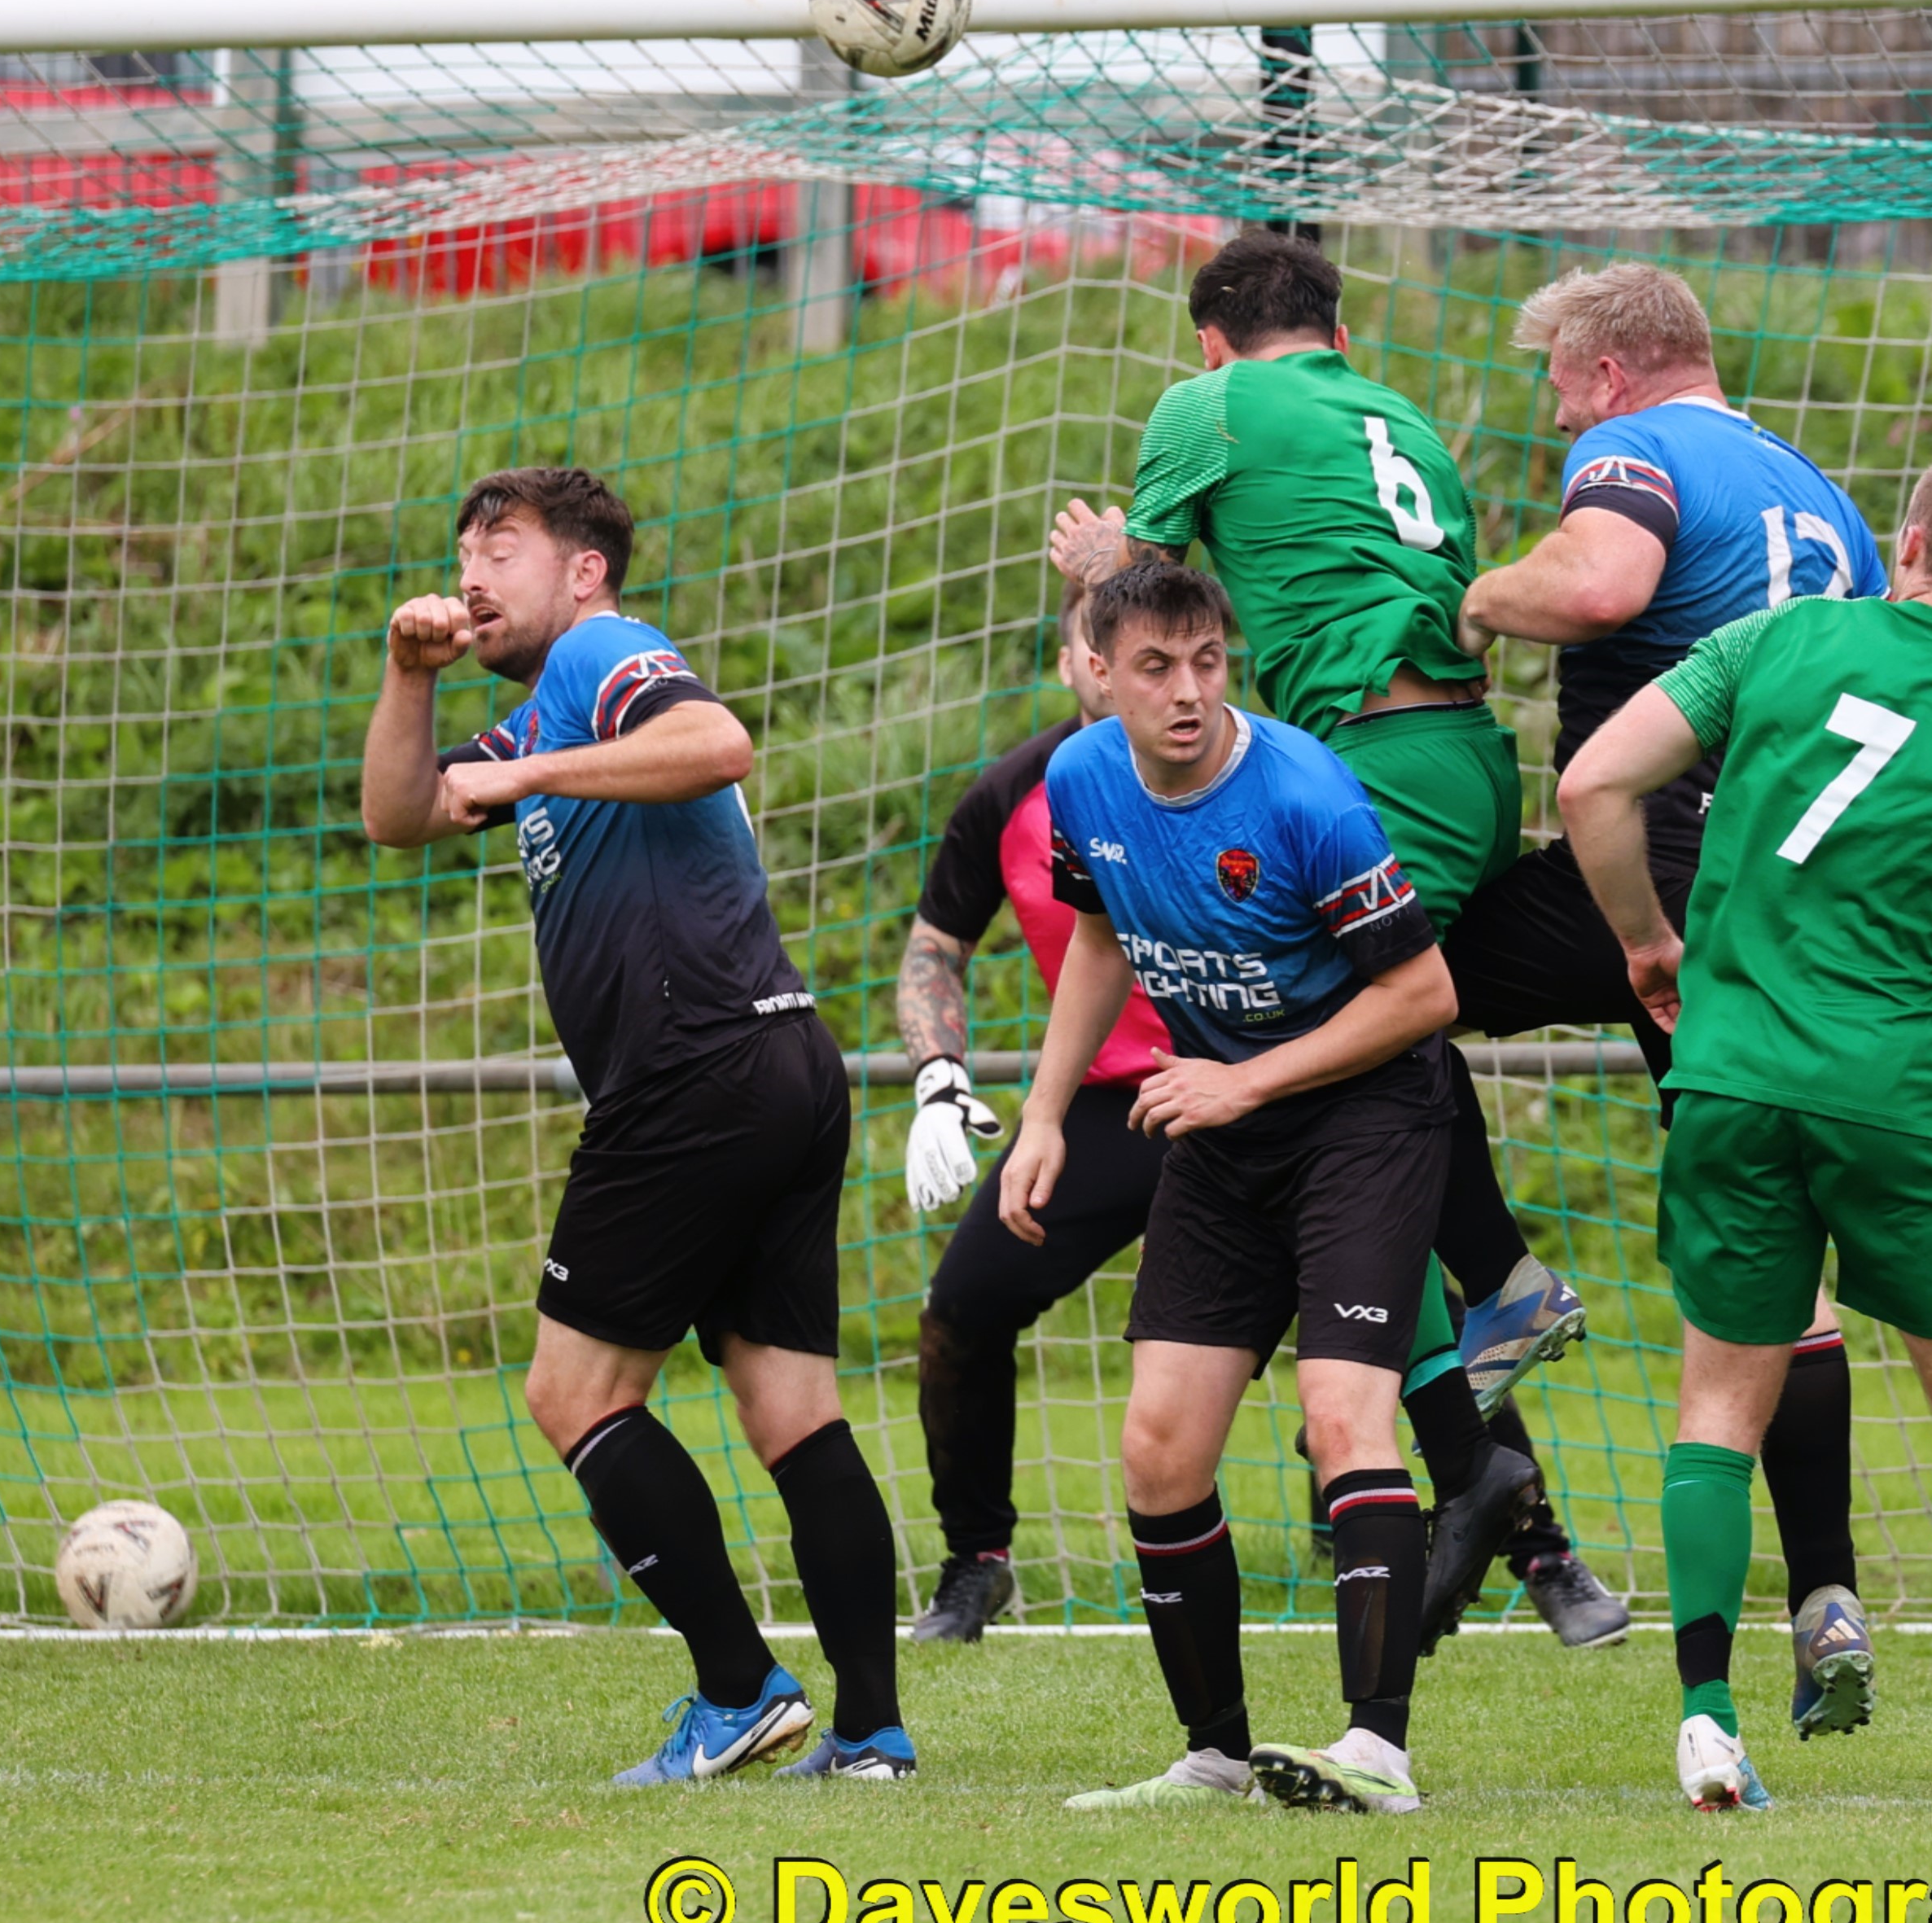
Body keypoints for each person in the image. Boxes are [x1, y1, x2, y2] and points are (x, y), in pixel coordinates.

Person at [1558, 427, 1932, 1812]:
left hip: (1731, 1077)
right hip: (1889, 1092)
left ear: (1910, 541)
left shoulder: (1775, 639)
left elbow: (1589, 785)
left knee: (1717, 1403)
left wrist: (1645, 941)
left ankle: (1706, 1725)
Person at [358, 467, 913, 1785]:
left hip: (692, 1071)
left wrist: (535, 769)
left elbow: (718, 742)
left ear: (585, 571)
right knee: (793, 1411)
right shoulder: (538, 714)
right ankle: (870, 1734)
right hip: (780, 1059)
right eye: (462, 550)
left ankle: (738, 1690)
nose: (473, 572)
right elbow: (399, 817)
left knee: (574, 1393)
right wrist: (408, 676)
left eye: (502, 546)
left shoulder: (599, 656)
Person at [1045, 231, 1564, 1638]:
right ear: (1335, 332)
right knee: (1362, 1050)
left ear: (1211, 341)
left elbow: (1144, 613)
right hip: (1469, 755)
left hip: (1375, 759)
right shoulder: (1400, 415)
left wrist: (1097, 563)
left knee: (1342, 1046)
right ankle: (1471, 1385)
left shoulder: (1206, 405)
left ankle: (1473, 1369)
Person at [1445, 260, 1892, 1697]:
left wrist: (1475, 599)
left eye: (1558, 386)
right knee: (1781, 1268)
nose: (1553, 416)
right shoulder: (1823, 498)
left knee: (1366, 1001)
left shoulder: (1634, 449)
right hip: (1797, 897)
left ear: (1611, 371)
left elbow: (1598, 585)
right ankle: (1825, 1594)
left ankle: (1498, 1282)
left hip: (1653, 870)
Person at [1005, 561, 1452, 1816]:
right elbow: (1100, 939)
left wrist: (1242, 1083)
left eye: (1206, 660)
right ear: (1098, 672)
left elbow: (1422, 994)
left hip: (1363, 1116)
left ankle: (1377, 1754)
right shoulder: (1082, 777)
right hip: (1224, 1124)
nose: (1188, 691)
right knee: (1158, 1447)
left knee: (1342, 1418)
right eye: (1155, 668)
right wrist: (1042, 1116)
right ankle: (1212, 1757)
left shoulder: (1306, 793)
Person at [896, 586, 1174, 1644]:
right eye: (1094, 648)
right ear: (1071, 664)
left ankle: (1534, 1543)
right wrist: (939, 1074)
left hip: (1248, 1093)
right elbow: (934, 950)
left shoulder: (1242, 765)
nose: (1118, 668)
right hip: (1097, 1111)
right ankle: (976, 1562)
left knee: (1401, 1296)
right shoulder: (1014, 794)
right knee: (961, 1311)